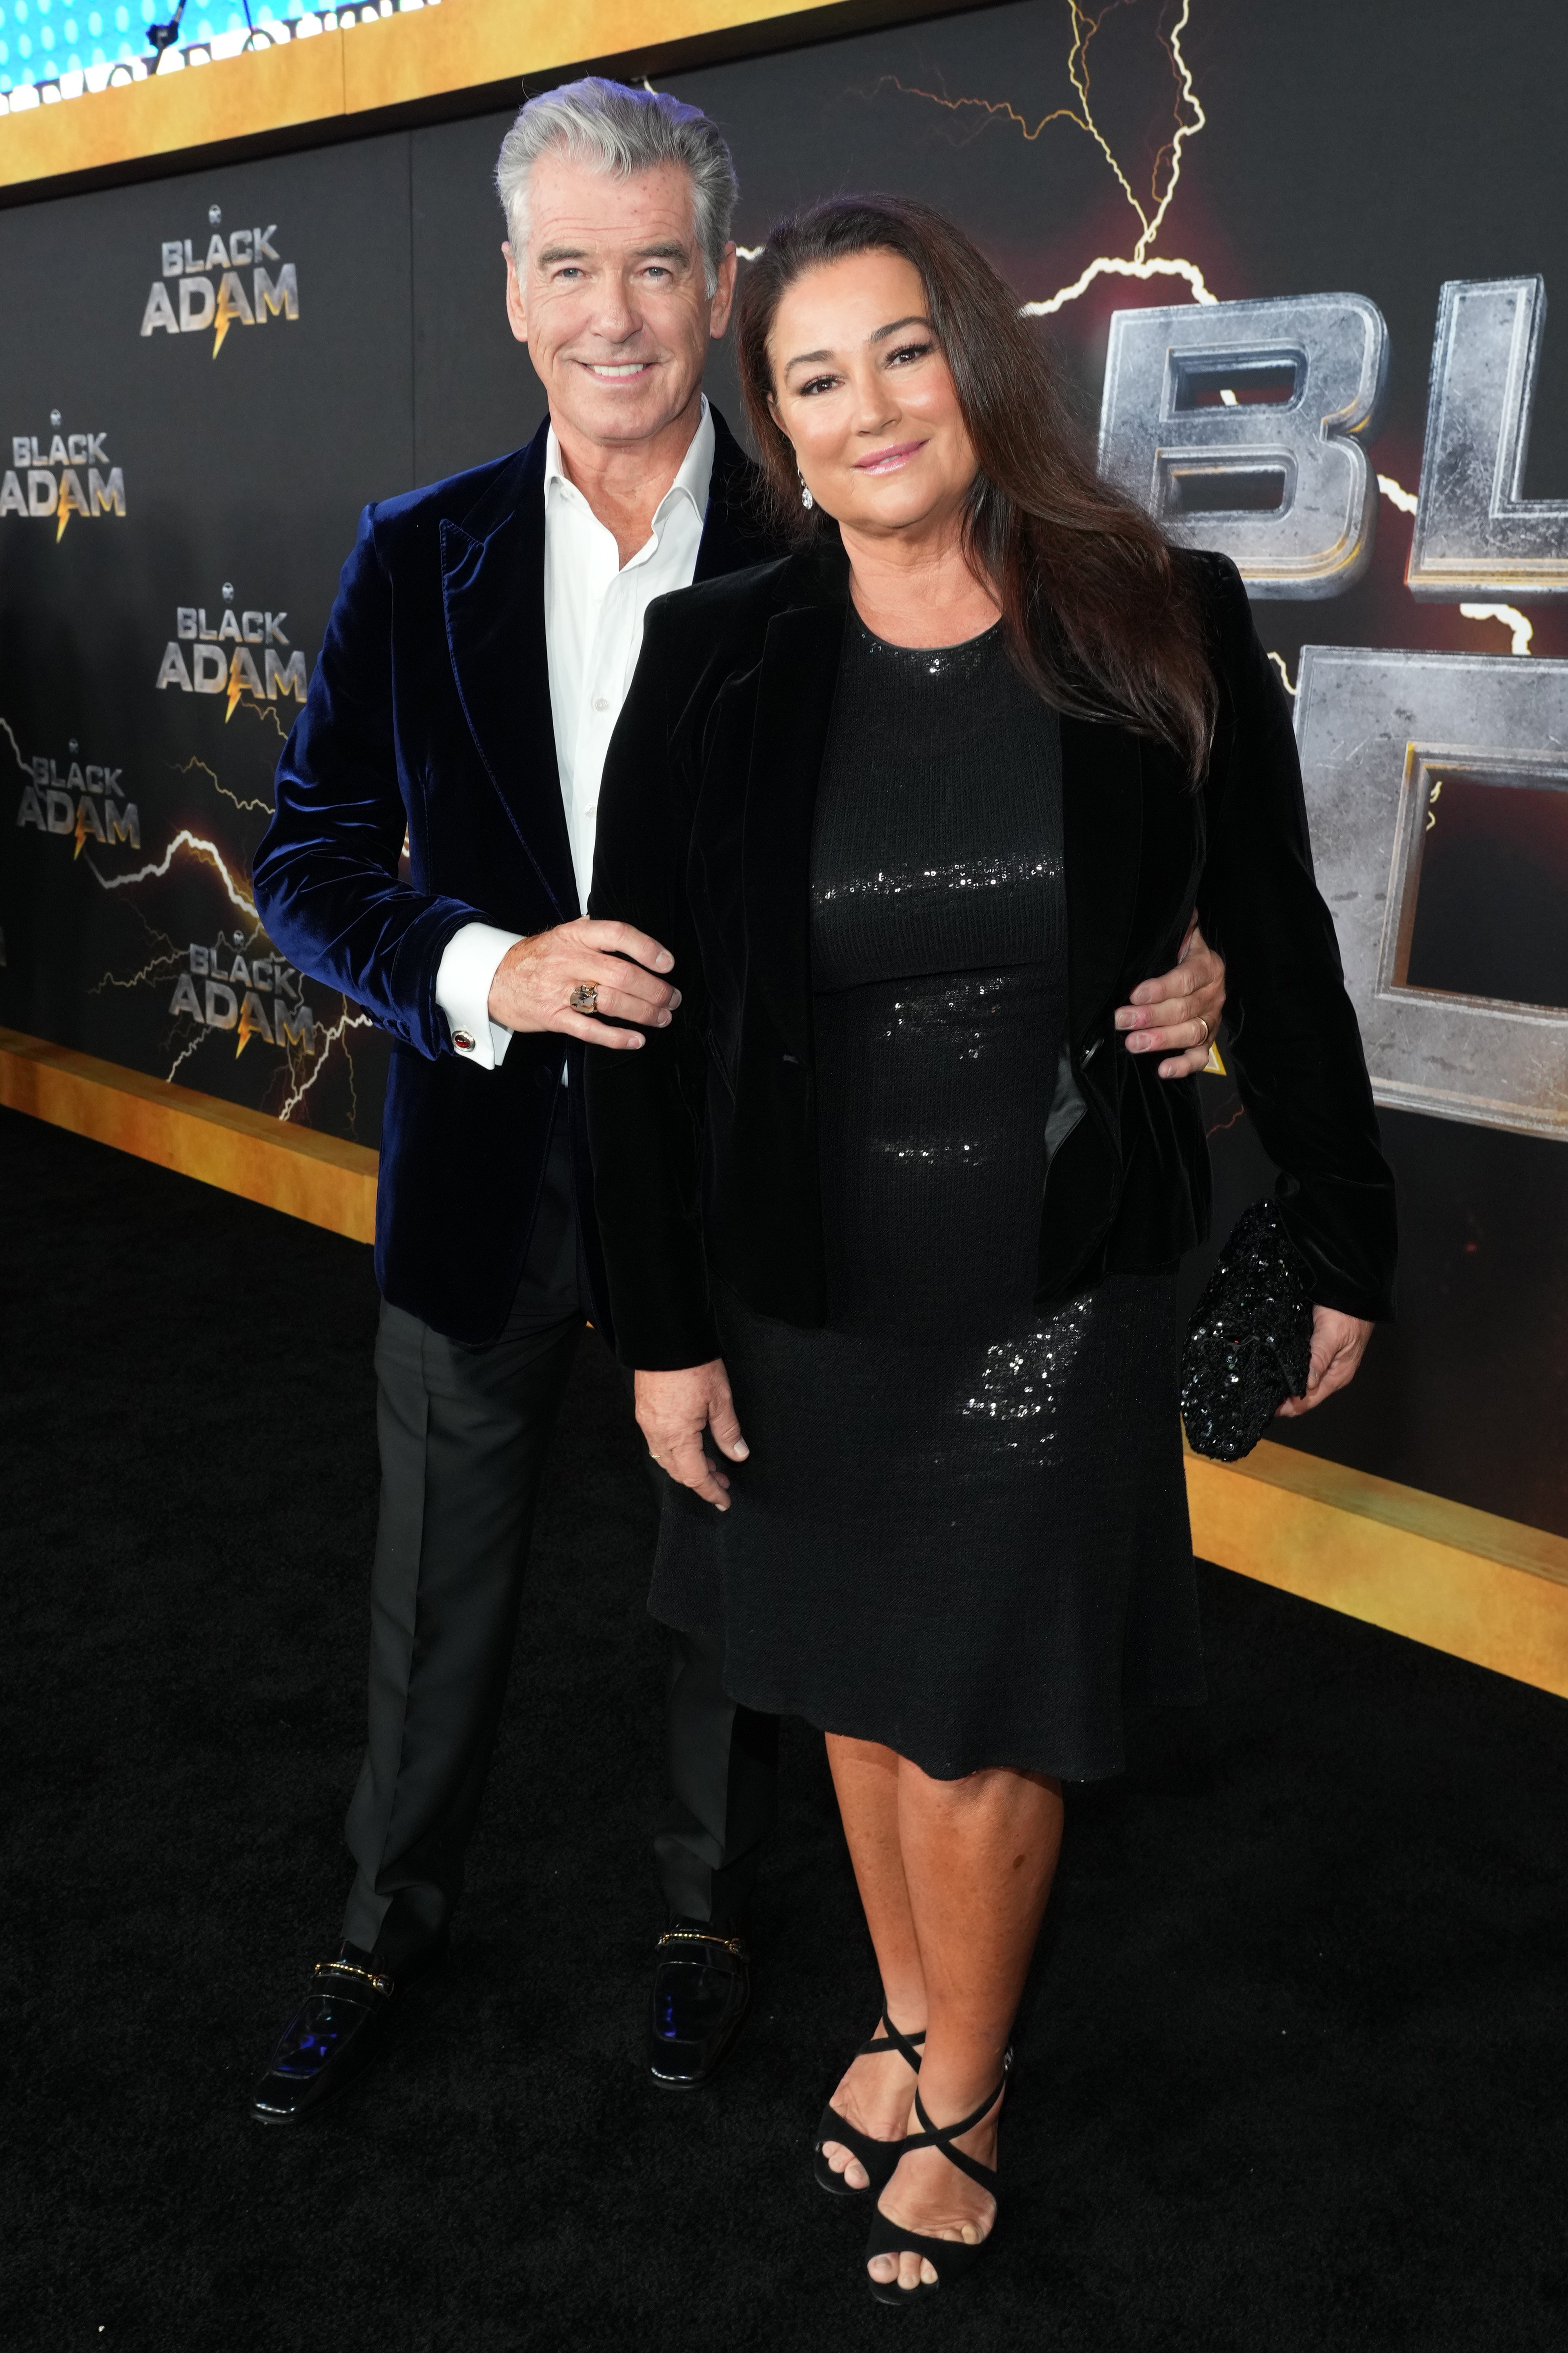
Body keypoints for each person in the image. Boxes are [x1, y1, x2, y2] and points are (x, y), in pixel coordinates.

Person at [248, 87, 1227, 2120]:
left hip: (783, 1201)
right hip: (493, 1177)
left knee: (763, 1602)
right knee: (439, 1598)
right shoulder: (413, 552)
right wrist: (480, 972)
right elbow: (311, 851)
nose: (618, 313)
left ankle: (713, 1922)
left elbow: (1041, 800)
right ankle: (381, 1923)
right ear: (515, 293)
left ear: (722, 294)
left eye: (663, 266)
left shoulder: (845, 522)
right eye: (573, 267)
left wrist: (1185, 952)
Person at [585, 194, 1395, 2300]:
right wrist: (664, 1330)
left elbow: (1279, 949)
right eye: (815, 378)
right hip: (806, 1272)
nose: (870, 411)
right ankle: (912, 2010)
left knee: (979, 1718)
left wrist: (1336, 1237)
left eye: (904, 353)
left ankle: (960, 2083)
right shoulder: (719, 655)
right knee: (858, 1694)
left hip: (1059, 1267)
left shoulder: (1156, 610)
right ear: (775, 428)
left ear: (978, 362)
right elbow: (645, 1028)